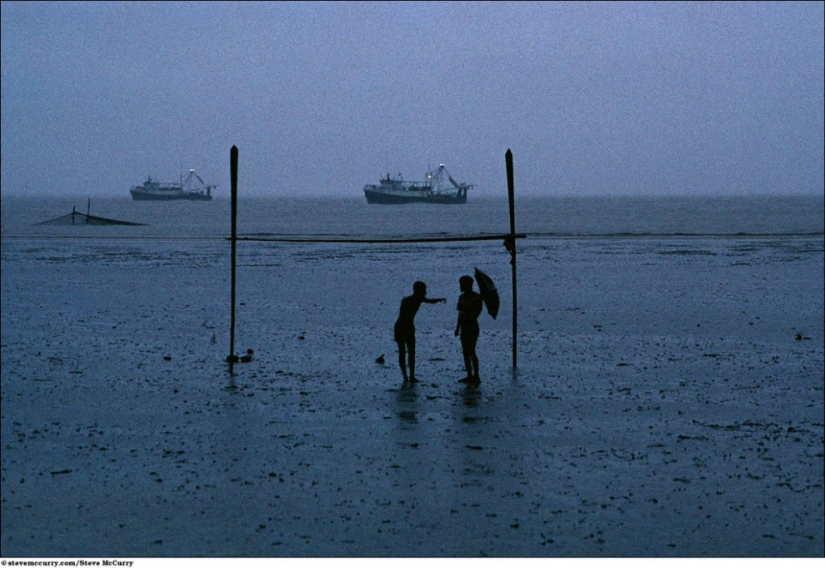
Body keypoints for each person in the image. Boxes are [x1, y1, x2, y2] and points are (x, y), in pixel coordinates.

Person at [394, 281, 446, 383]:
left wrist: (440, 299)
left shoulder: (417, 299)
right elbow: (404, 316)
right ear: (418, 290)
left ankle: (411, 376)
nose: (426, 292)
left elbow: (430, 301)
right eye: (424, 290)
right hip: (402, 327)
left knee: (410, 352)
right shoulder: (407, 300)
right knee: (403, 352)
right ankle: (406, 376)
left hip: (407, 327)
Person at [455, 275, 483, 384]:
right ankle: (469, 375)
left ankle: (476, 375)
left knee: (471, 351)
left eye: (462, 284)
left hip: (472, 325)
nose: (460, 286)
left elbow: (476, 313)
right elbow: (460, 313)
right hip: (464, 326)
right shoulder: (461, 297)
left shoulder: (477, 297)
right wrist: (457, 327)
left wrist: (467, 315)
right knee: (465, 352)